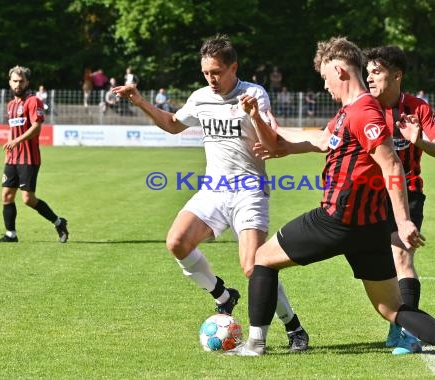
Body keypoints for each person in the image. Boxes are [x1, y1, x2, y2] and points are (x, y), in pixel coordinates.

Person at [228, 37, 435, 361]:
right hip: (369, 230)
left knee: (261, 260)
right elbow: (319, 140)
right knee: (393, 308)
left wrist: (405, 220)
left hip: (335, 220)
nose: (325, 86)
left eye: (325, 78)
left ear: (339, 70)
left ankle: (255, 344)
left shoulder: (363, 111)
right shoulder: (347, 112)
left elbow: (391, 163)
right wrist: (273, 133)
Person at [111, 35, 309, 352]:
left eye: (216, 71)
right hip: (213, 189)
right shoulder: (201, 97)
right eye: (206, 73)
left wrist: (255, 114)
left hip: (248, 190)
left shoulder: (254, 94)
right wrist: (139, 100)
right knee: (176, 241)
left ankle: (294, 327)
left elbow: (273, 144)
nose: (211, 79)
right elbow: (174, 124)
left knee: (254, 267)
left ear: (234, 67)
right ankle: (223, 296)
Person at [363, 45, 435, 354]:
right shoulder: (364, 108)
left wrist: (419, 140)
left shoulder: (418, 108)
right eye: (368, 72)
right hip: (370, 196)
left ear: (397, 75)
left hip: (409, 193)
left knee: (402, 258)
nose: (369, 77)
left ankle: (409, 333)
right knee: (380, 264)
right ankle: (397, 320)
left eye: (377, 72)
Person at [0, 66, 69, 243]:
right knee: (6, 196)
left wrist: (17, 141)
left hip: (29, 158)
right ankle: (11, 235)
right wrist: (9, 147)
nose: (18, 84)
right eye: (15, 81)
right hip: (12, 158)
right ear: (10, 82)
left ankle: (59, 222)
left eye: (21, 81)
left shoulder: (33, 101)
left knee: (28, 199)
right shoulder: (10, 105)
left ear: (27, 82)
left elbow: (36, 127)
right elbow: (12, 130)